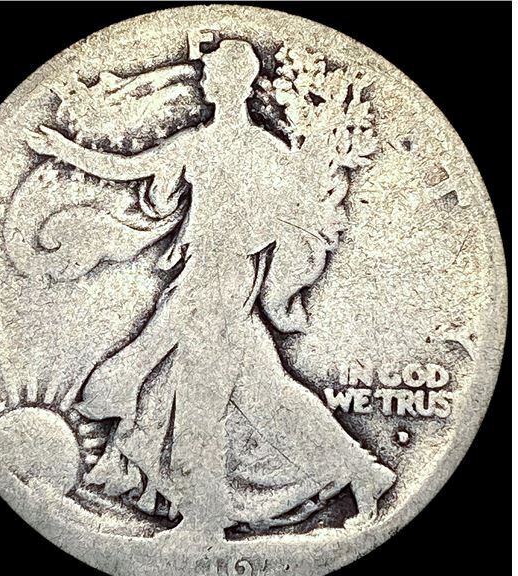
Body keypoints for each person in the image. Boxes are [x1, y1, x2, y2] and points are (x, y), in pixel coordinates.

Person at [27, 39, 395, 535]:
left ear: (232, 83)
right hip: (214, 277)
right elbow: (129, 168)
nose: (204, 80)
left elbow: (290, 219)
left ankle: (201, 521)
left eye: (212, 73)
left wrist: (249, 246)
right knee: (263, 390)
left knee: (197, 396)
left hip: (217, 283)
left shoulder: (241, 150)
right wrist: (66, 151)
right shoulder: (232, 146)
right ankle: (361, 470)